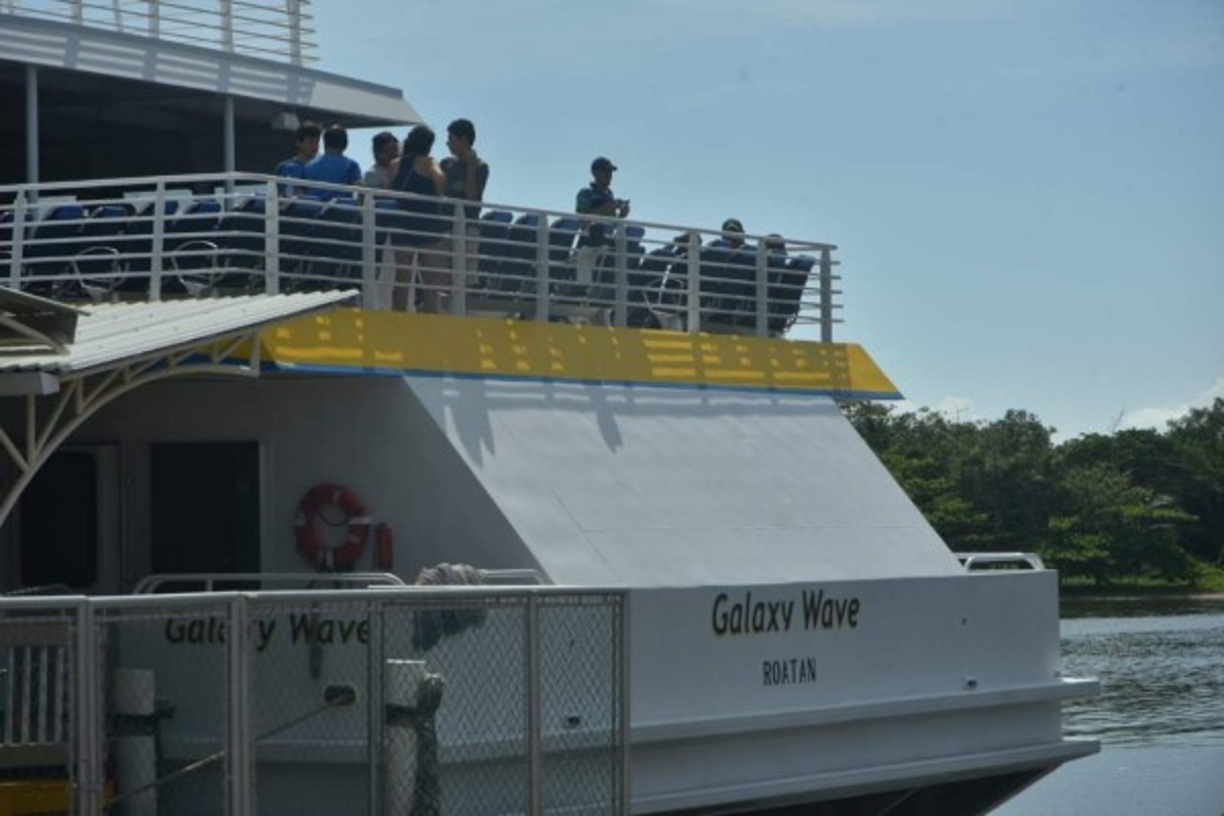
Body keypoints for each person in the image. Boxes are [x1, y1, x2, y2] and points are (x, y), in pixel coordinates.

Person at [389, 125, 449, 313]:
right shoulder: (429, 162)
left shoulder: (395, 163)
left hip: (402, 223)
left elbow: (392, 191)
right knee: (431, 280)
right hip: (428, 225)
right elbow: (440, 182)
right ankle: (431, 319)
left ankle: (397, 320)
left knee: (402, 277)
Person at [439, 118, 490, 287]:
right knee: (442, 276)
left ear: (464, 140)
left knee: (465, 279)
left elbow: (471, 198)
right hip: (445, 227)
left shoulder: (481, 167)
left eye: (451, 139)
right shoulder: (445, 164)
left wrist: (470, 168)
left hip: (468, 228)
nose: (448, 143)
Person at [303, 125, 361, 199]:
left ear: (324, 143)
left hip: (313, 209)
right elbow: (361, 191)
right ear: (345, 144)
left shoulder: (308, 166)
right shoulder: (351, 165)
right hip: (341, 209)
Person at [274, 121, 322, 196]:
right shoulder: (283, 168)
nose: (315, 147)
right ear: (298, 143)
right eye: (311, 142)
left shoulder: (321, 169)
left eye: (317, 142)